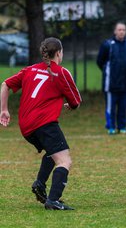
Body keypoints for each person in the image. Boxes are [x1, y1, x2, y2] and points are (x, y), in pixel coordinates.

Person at [0, 37, 82, 210]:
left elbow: (5, 84)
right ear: (59, 52)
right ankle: (53, 200)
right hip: (44, 123)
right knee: (64, 161)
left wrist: (4, 110)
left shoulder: (29, 69)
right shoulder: (61, 72)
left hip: (26, 126)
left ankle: (39, 184)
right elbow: (75, 102)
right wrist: (70, 105)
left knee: (53, 152)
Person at [97, 21, 126, 135]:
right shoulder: (107, 45)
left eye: (123, 30)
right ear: (115, 31)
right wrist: (108, 72)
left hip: (125, 83)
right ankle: (111, 128)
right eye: (119, 29)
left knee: (123, 107)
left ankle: (122, 127)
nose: (121, 32)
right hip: (110, 84)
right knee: (111, 107)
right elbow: (100, 61)